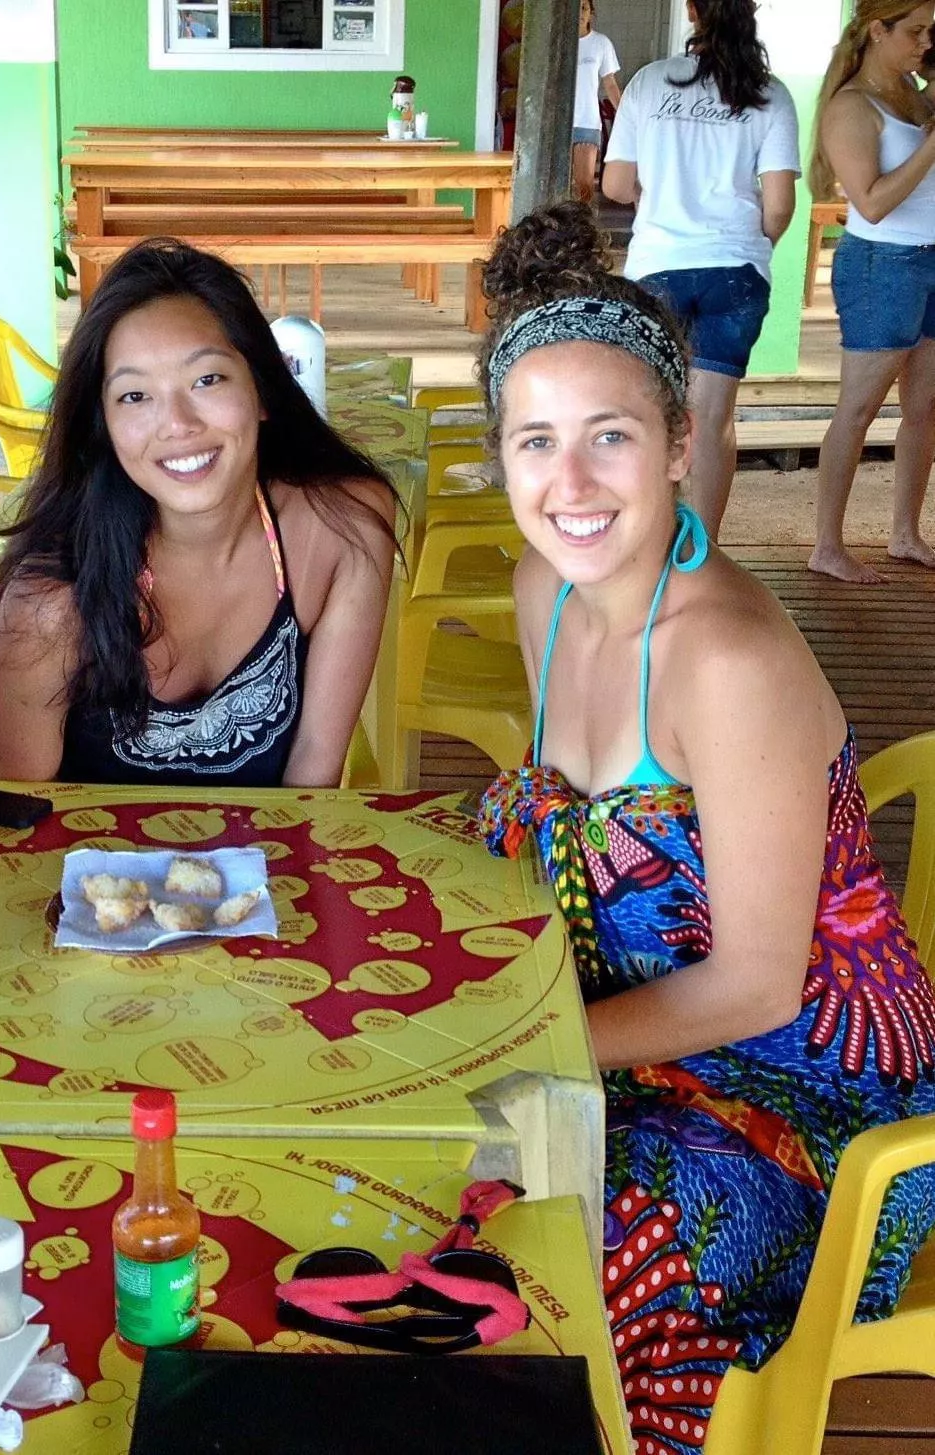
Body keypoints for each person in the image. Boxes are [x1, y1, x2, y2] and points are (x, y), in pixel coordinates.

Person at [474, 202, 935, 1453]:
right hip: (624, 1016)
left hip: (795, 1091)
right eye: (535, 443)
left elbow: (754, 988)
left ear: (683, 446)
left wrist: (515, 1053)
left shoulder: (724, 657)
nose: (568, 485)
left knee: (574, 1280)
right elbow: (568, 837)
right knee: (397, 1185)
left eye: (609, 437)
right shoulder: (544, 590)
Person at [0, 238, 398, 789]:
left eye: (207, 379)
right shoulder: (50, 604)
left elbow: (313, 781)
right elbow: (17, 827)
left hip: (269, 869)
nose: (177, 423)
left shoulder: (344, 529)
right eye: (134, 396)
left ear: (264, 390)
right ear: (102, 424)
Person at [602, 0, 800, 539]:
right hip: (734, 270)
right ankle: (702, 555)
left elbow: (616, 186)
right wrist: (752, 244)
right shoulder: (771, 93)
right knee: (712, 422)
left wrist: (660, 202)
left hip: (658, 267)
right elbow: (780, 206)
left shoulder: (648, 83)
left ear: (690, 8)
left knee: (653, 417)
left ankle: (648, 541)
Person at [809, 1, 935, 583]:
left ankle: (905, 533)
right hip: (882, 264)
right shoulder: (852, 105)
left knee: (925, 408)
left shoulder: (918, 91)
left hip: (930, 259)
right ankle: (827, 546)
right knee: (858, 409)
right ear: (877, 30)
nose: (926, 41)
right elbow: (874, 203)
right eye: (916, 31)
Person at [573, 0, 621, 204]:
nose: (580, 13)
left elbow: (610, 83)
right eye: (576, 7)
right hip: (556, 123)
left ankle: (582, 230)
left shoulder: (601, 43)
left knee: (584, 185)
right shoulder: (557, 42)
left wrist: (625, 114)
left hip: (587, 121)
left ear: (591, 12)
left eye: (584, 7)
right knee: (554, 184)